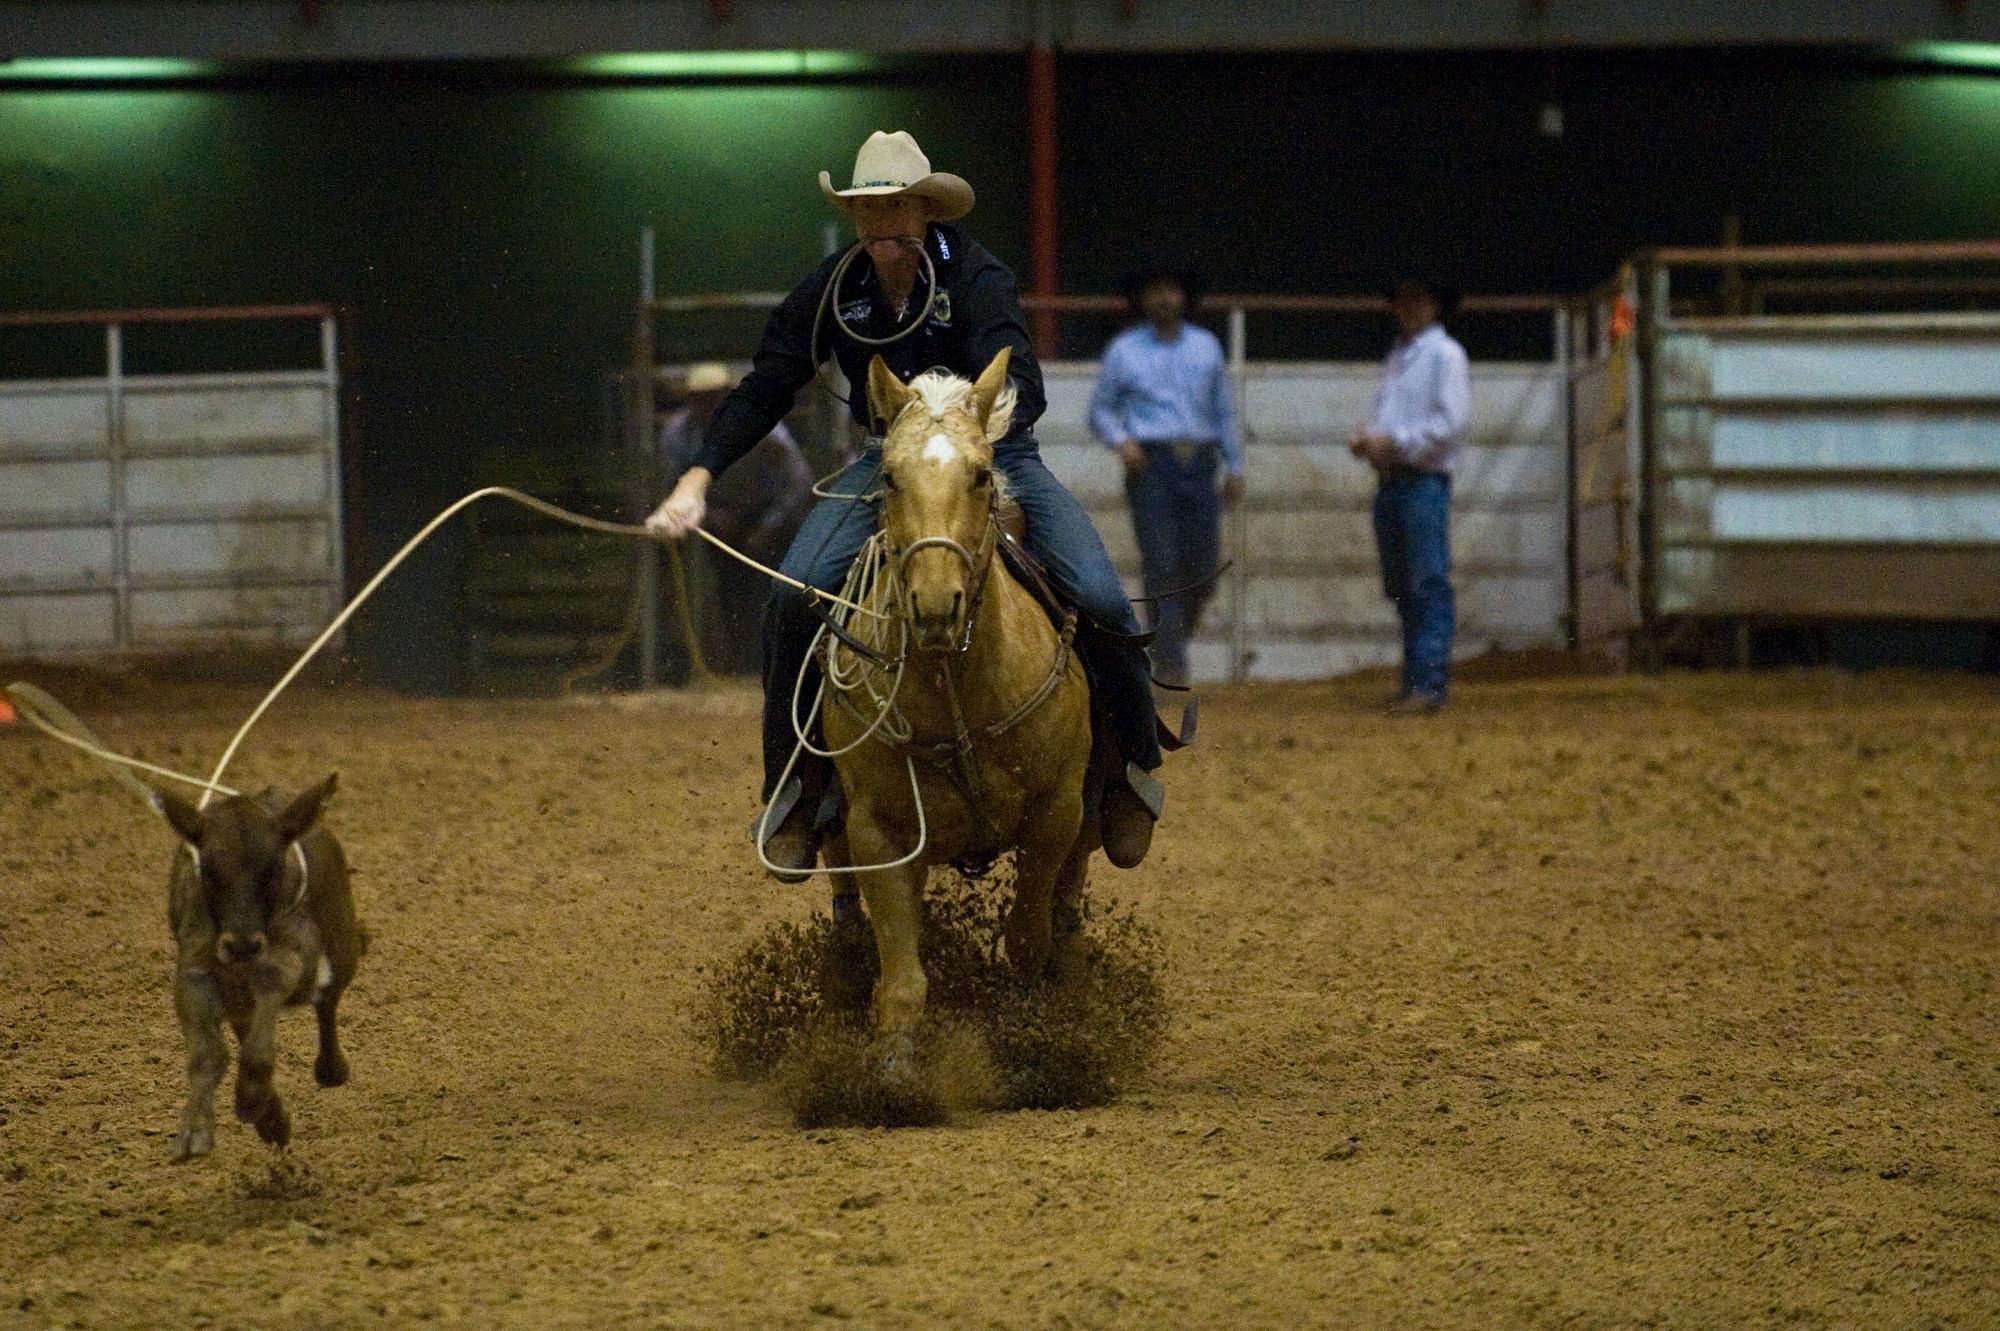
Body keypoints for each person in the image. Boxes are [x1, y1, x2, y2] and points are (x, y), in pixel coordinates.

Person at [645, 130, 1166, 882]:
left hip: (993, 453)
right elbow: (767, 383)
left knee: (1101, 598)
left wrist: (964, 439)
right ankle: (793, 786)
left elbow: (1024, 378)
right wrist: (696, 478)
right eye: (867, 207)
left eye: (895, 206)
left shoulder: (980, 277)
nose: (881, 222)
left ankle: (1129, 773)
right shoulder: (834, 288)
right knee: (793, 598)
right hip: (886, 460)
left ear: (926, 209)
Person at [1086, 269, 1244, 686]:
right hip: (1151, 464)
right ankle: (1171, 661)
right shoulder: (1124, 351)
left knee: (1202, 567)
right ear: (1143, 298)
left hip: (1200, 461)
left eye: (1172, 289)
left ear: (1183, 296)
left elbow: (1223, 410)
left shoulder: (1206, 346)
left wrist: (1235, 464)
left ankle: (1170, 645)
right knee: (1161, 562)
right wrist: (1123, 441)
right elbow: (1101, 410)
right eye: (1155, 290)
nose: (1164, 298)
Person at [1350, 276, 1471, 713]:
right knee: (1407, 584)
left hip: (1419, 480)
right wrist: (1374, 439)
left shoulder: (1443, 354)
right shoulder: (1404, 356)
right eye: (1404, 299)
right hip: (1401, 481)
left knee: (1423, 582)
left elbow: (1452, 425)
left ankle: (1427, 683)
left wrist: (1391, 441)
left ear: (1435, 305)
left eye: (1419, 298)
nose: (1410, 306)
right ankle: (1419, 679)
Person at [656, 362, 817, 674]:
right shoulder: (678, 433)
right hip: (714, 522)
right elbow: (669, 484)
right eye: (700, 398)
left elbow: (798, 484)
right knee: (728, 593)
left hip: (771, 521)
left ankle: (774, 664)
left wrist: (767, 527)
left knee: (774, 591)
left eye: (714, 397)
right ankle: (733, 664)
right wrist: (705, 516)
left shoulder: (764, 427)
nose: (707, 405)